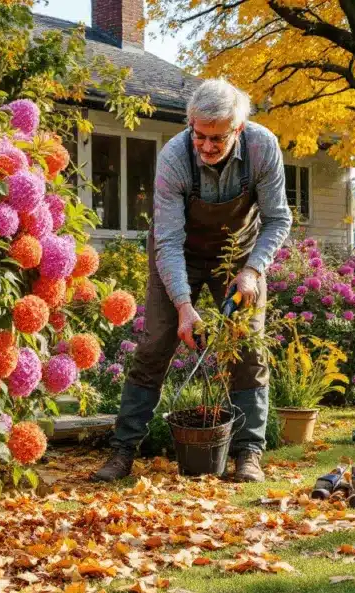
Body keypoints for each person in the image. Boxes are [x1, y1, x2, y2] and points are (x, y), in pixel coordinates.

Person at [91, 78, 293, 483]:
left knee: (246, 347)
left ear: (237, 129)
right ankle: (123, 451)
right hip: (177, 252)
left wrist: (253, 270)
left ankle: (247, 453)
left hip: (239, 257)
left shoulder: (262, 147)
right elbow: (167, 240)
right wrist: (184, 307)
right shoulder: (173, 158)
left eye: (217, 138)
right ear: (190, 125)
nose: (206, 146)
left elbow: (278, 219)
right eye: (199, 135)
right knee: (155, 344)